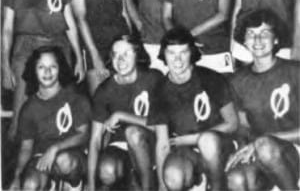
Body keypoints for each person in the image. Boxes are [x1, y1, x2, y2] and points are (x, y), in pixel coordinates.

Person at [2, 0, 85, 140]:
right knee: (20, 108)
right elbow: (7, 29)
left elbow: (70, 25)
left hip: (58, 44)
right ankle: (17, 159)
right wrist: (4, 64)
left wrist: (79, 58)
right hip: (26, 44)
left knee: (62, 102)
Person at [147, 27, 238, 191]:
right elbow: (162, 143)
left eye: (183, 52)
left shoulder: (211, 78)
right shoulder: (159, 88)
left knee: (207, 140)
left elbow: (232, 124)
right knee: (173, 176)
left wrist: (192, 139)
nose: (178, 60)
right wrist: (161, 186)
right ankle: (197, 179)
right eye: (171, 53)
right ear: (163, 55)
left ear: (192, 53)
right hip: (187, 152)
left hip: (218, 146)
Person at [225, 9, 300, 191]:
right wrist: (241, 150)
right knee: (236, 179)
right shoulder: (237, 80)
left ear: (276, 39)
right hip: (259, 150)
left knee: (265, 146)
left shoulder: (295, 71)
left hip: (294, 147)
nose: (257, 40)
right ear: (244, 41)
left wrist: (262, 141)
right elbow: (244, 127)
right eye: (251, 34)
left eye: (264, 34)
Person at [9, 46, 91, 191]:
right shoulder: (29, 107)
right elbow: (26, 148)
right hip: (42, 158)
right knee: (29, 185)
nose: (47, 72)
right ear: (34, 71)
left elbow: (84, 135)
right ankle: (51, 184)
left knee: (64, 160)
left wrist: (55, 148)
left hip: (73, 156)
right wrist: (17, 176)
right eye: (41, 67)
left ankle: (73, 185)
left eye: (52, 67)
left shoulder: (75, 98)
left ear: (60, 69)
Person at [88, 35, 163, 191]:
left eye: (126, 53)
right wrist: (90, 183)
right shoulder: (104, 90)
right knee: (107, 171)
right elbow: (95, 140)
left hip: (151, 144)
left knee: (133, 133)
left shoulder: (154, 79)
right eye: (116, 54)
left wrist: (121, 115)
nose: (120, 59)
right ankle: (130, 179)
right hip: (121, 147)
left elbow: (160, 126)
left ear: (137, 54)